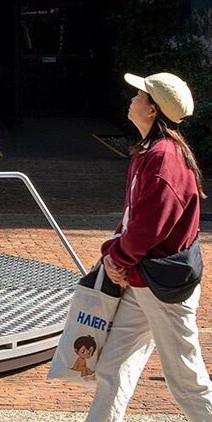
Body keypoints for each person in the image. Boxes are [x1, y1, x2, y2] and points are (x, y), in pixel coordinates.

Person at [87, 72, 212, 421]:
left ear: (154, 110)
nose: (132, 98)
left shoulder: (163, 159)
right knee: (113, 367)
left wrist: (117, 257)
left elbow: (149, 228)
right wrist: (115, 255)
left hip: (162, 287)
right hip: (146, 281)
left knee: (186, 380)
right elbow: (135, 218)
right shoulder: (152, 153)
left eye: (139, 94)